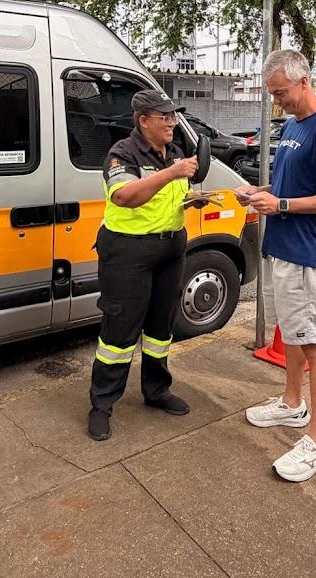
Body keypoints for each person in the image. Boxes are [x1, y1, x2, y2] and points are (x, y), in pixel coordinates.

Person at [236, 50, 316, 481]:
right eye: (272, 94)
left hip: (307, 254)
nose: (277, 101)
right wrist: (259, 192)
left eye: (281, 92)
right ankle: (291, 404)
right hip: (283, 249)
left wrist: (280, 204)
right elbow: (287, 185)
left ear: (303, 82)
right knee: (292, 332)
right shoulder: (293, 126)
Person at [88, 89, 200, 441]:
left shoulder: (175, 153)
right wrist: (173, 173)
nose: (172, 122)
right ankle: (102, 404)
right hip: (127, 253)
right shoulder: (122, 153)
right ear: (144, 120)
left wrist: (192, 199)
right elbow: (125, 196)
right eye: (165, 116)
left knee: (160, 329)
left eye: (173, 116)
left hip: (169, 249)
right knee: (119, 334)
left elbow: (171, 196)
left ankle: (156, 391)